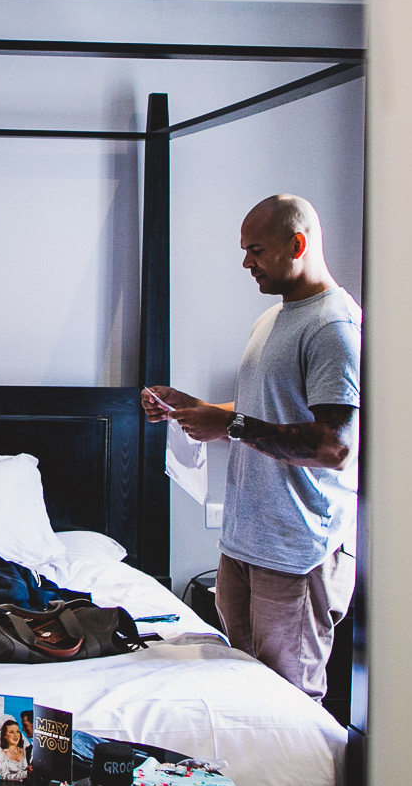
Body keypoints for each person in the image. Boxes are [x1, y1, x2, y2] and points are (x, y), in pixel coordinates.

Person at [143, 193, 360, 701]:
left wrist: (232, 425)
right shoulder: (274, 318)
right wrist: (193, 407)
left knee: (289, 704)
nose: (246, 263)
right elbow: (267, 410)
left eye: (256, 250)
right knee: (243, 692)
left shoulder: (334, 326)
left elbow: (335, 447)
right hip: (245, 543)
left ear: (297, 245)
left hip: (294, 550)